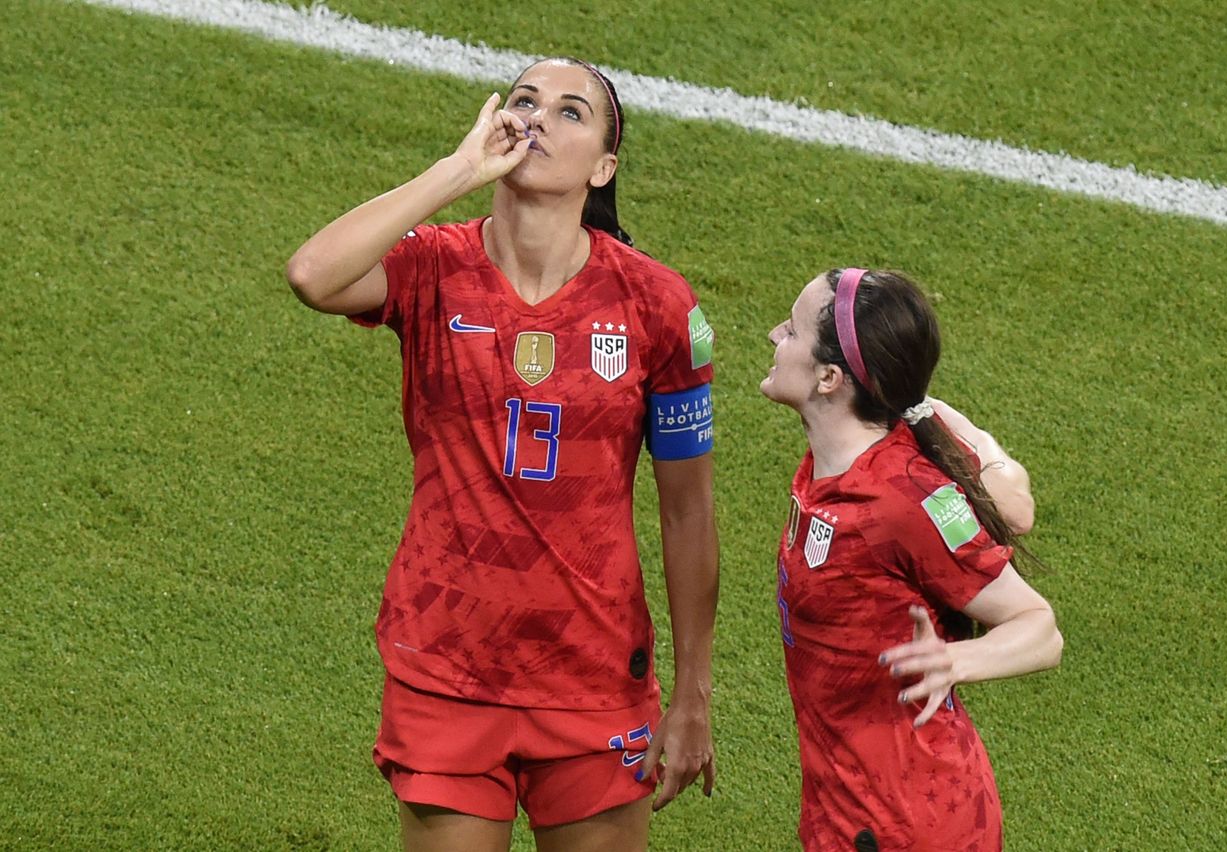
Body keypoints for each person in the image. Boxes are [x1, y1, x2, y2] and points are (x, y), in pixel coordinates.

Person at [286, 57, 718, 852]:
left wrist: (693, 692)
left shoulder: (658, 306)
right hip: (447, 665)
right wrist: (457, 170)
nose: (539, 119)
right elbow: (313, 275)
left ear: (605, 166)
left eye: (571, 112)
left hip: (592, 677)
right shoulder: (433, 266)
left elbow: (688, 512)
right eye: (525, 101)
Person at [761, 267, 1062, 851]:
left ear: (829, 377)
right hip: (846, 810)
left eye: (792, 332)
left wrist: (955, 661)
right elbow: (1005, 505)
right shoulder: (838, 464)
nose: (775, 335)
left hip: (911, 825)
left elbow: (1040, 628)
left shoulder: (900, 498)